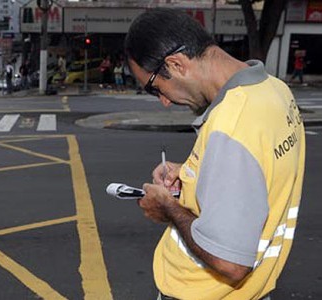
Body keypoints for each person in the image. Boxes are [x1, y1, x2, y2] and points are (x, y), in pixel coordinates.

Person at [124, 8, 305, 300]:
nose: (164, 102)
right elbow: (259, 170)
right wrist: (195, 174)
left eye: (155, 87)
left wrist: (167, 208)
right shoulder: (274, 90)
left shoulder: (232, 123)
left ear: (176, 64)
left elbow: (230, 263)